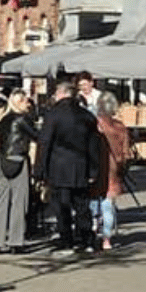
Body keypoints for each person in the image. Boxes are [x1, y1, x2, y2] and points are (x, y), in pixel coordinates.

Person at [34, 81, 101, 255]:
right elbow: (94, 146)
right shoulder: (87, 116)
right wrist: (94, 170)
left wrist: (39, 170)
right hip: (81, 167)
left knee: (62, 207)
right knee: (82, 206)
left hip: (58, 167)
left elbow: (44, 143)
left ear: (62, 94)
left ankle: (67, 241)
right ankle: (87, 240)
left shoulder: (53, 115)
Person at [0, 90, 36, 255]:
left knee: (0, 201)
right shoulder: (23, 119)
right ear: (20, 102)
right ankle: (16, 241)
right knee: (19, 202)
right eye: (26, 101)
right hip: (19, 159)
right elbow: (37, 136)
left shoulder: (3, 120)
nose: (28, 104)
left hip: (3, 160)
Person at [92, 92, 133, 251]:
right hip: (113, 167)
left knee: (93, 202)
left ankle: (93, 229)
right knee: (108, 205)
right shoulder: (120, 127)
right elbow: (126, 153)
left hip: (95, 166)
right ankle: (107, 239)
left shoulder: (95, 124)